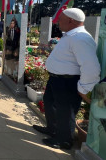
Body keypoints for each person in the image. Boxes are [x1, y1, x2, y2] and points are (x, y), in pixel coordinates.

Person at [33, 8, 101, 150]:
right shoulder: (70, 35)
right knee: (50, 103)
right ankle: (53, 129)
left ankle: (64, 140)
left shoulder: (81, 38)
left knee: (65, 111)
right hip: (57, 79)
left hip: (68, 82)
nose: (57, 22)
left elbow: (91, 67)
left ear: (71, 20)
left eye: (61, 19)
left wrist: (83, 89)